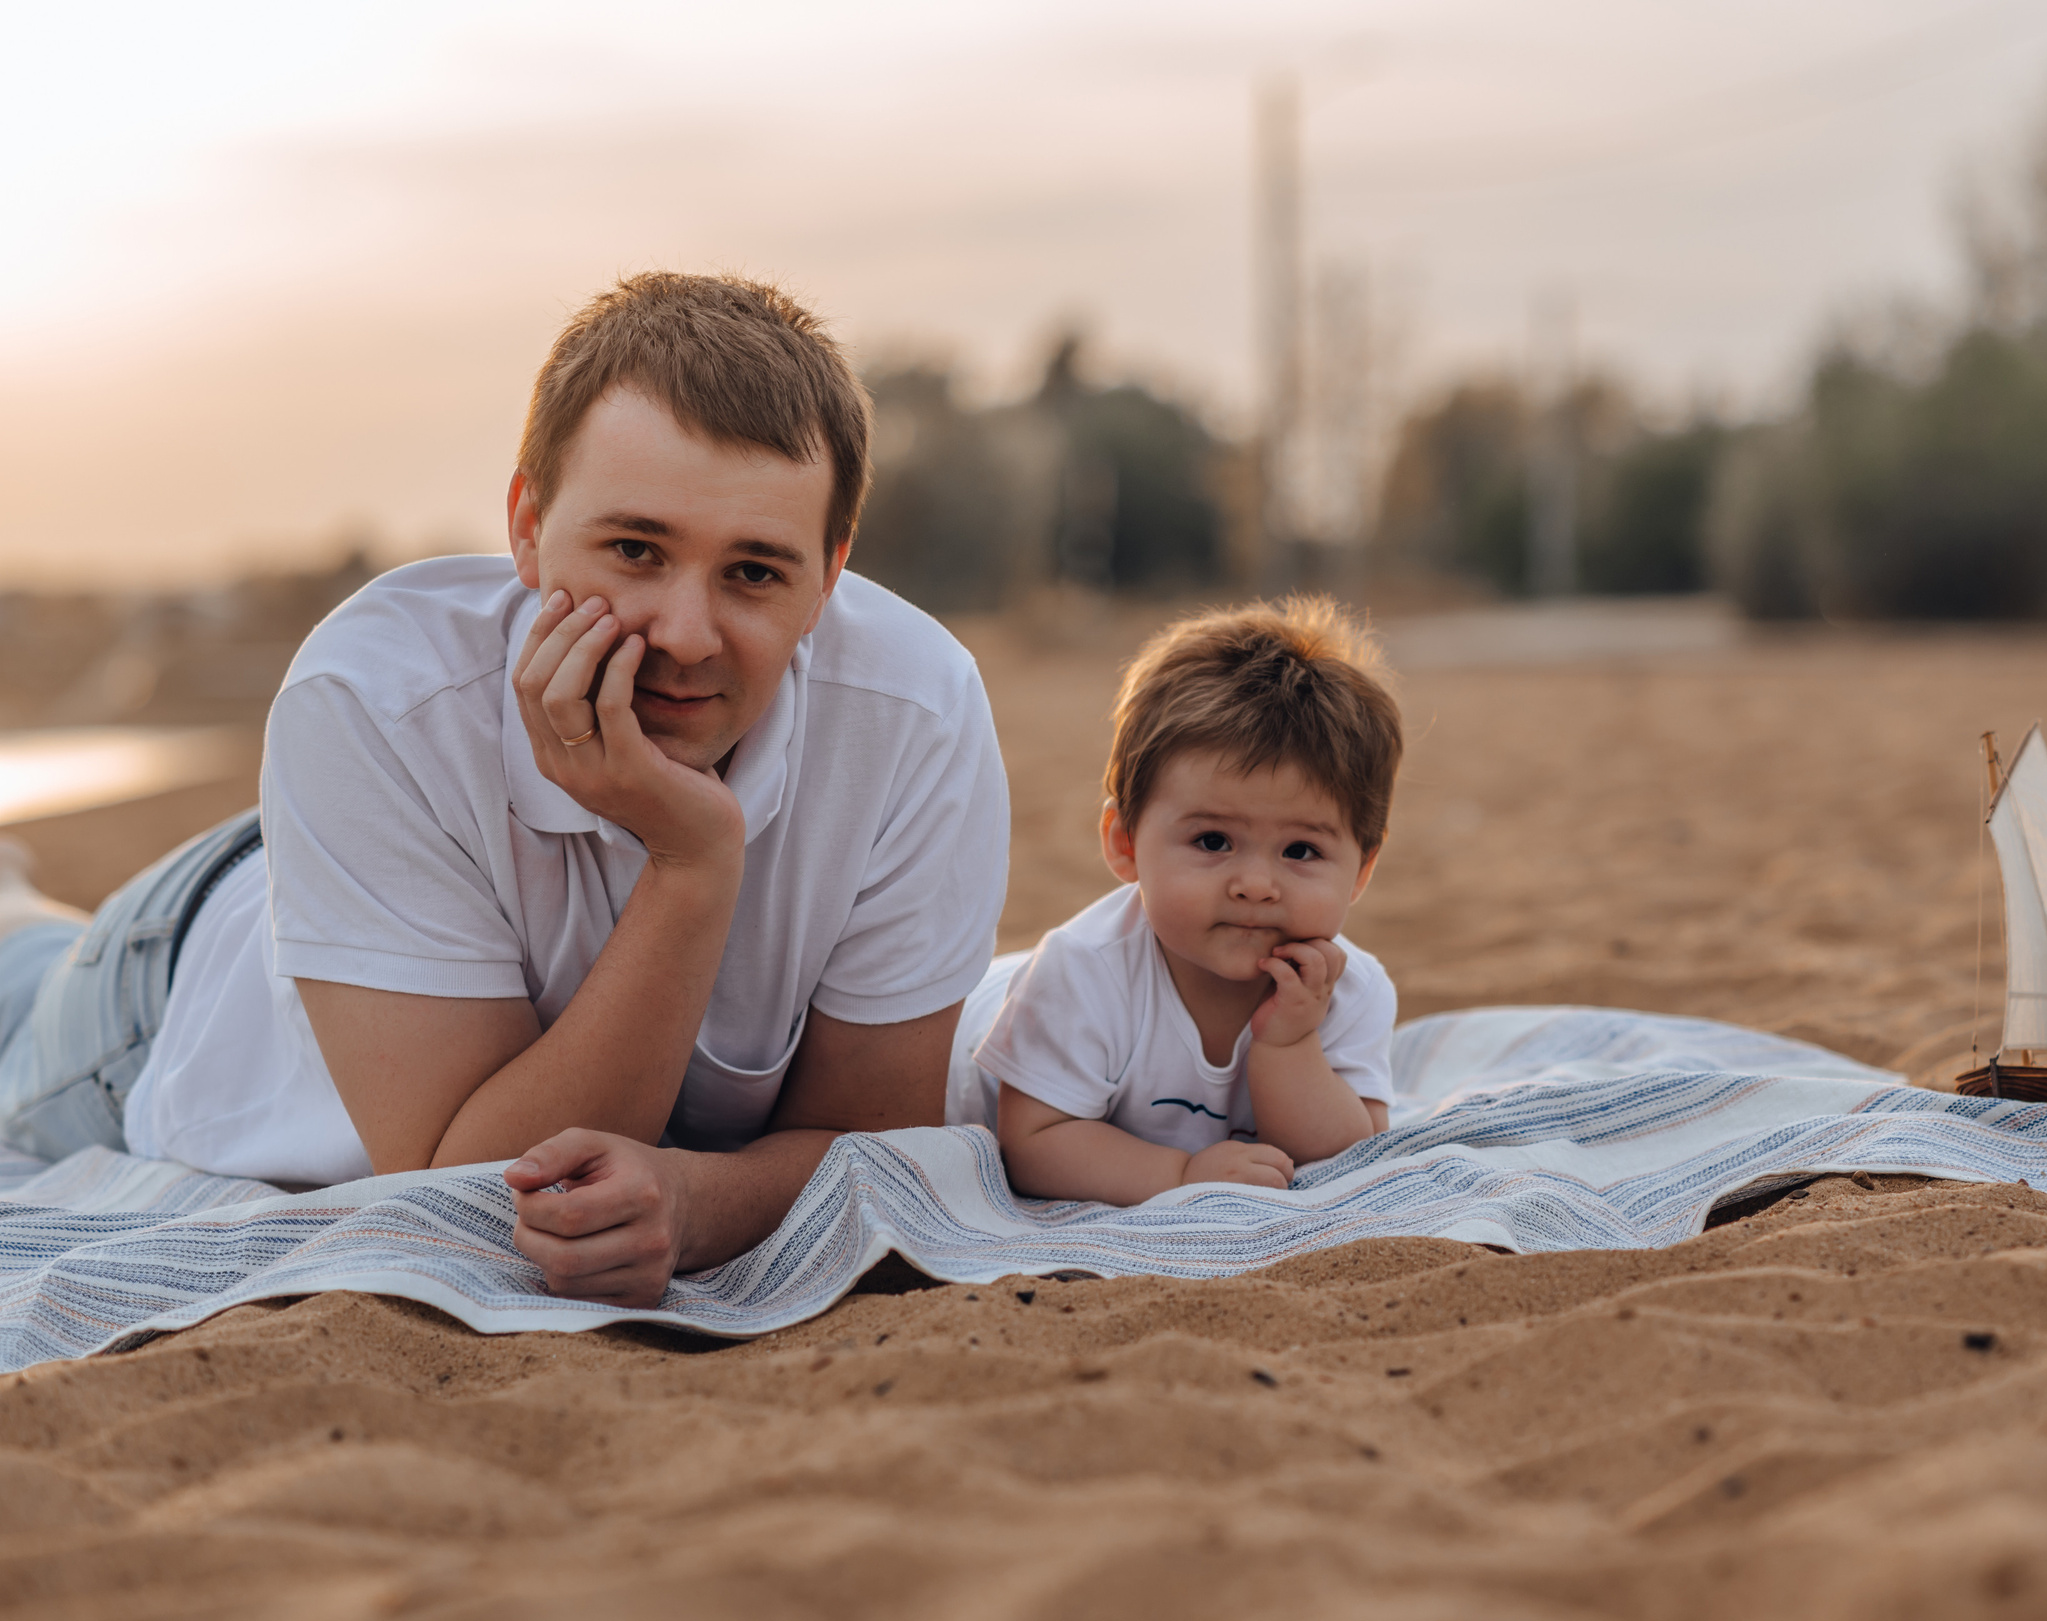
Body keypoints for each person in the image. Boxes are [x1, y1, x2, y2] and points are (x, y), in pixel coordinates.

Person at [0, 272, 1009, 1307]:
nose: (684, 634)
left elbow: (872, 1143)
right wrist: (693, 862)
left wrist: (702, 1196)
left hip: (376, 884)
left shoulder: (912, 714)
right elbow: (468, 1186)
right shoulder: (373, 691)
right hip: (163, 992)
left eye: (754, 572)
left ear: (830, 575)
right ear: (527, 523)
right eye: (634, 549)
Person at [966, 596, 1401, 1206]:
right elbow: (1034, 1142)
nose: (1256, 884)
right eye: (1213, 841)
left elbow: (1350, 1153)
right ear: (1125, 844)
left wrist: (1289, 1046)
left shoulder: (1350, 990)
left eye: (1300, 851)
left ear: (1362, 870)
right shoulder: (1082, 973)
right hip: (985, 1012)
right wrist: (1180, 1177)